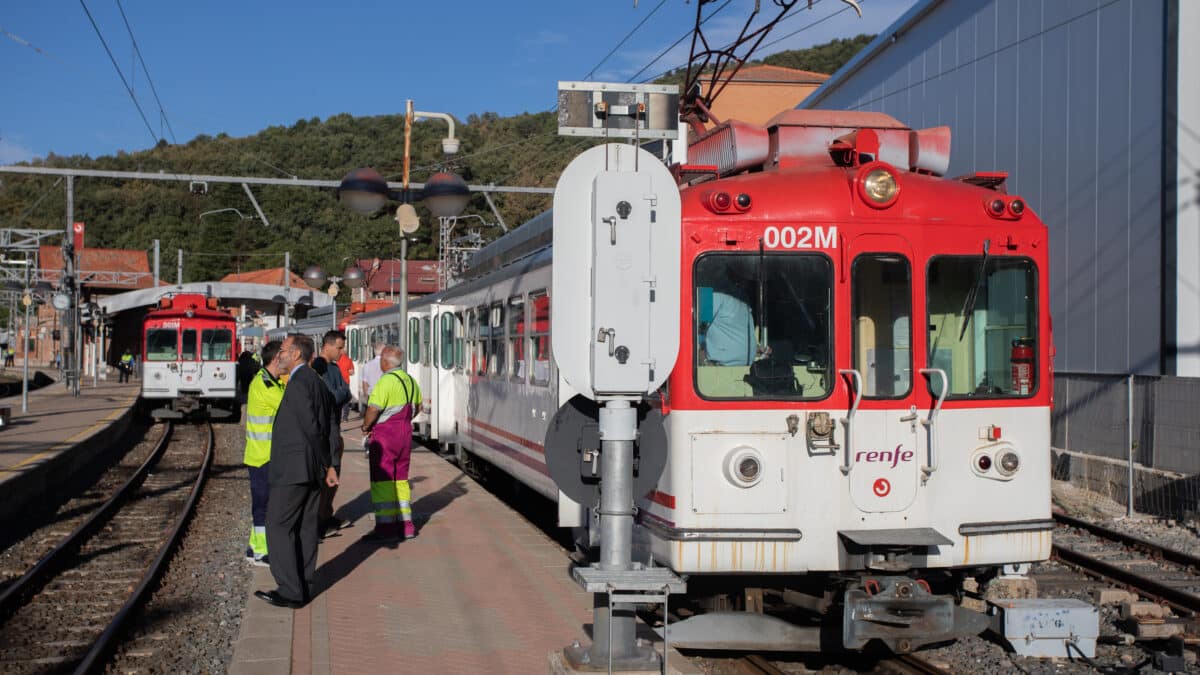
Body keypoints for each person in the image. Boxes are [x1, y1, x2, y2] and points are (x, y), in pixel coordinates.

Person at [256, 335, 338, 609]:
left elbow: (312, 427)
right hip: (310, 469)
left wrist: (326, 464)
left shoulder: (300, 383)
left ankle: (290, 589)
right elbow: (329, 425)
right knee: (304, 528)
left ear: (295, 354)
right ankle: (303, 584)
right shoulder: (317, 381)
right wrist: (327, 464)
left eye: (282, 350)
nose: (279, 355)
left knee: (277, 525)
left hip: (294, 469)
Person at [360, 346, 421, 542]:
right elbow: (418, 407)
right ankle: (407, 526)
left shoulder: (385, 382)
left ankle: (386, 528)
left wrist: (366, 426)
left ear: (385, 362)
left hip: (386, 435)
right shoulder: (411, 381)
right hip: (405, 434)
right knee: (401, 479)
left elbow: (373, 408)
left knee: (383, 478)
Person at [243, 340, 285, 567]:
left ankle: (253, 547)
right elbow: (287, 405)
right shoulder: (265, 385)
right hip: (262, 455)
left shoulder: (273, 382)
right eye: (285, 355)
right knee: (263, 504)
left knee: (263, 503)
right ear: (276, 358)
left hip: (264, 454)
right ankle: (262, 552)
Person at [311, 330, 351, 537]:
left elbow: (346, 393)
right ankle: (319, 521)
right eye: (339, 347)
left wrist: (341, 393)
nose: (342, 352)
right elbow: (333, 397)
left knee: (335, 473)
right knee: (328, 474)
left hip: (335, 428)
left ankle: (326, 515)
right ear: (327, 346)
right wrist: (340, 393)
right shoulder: (318, 368)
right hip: (326, 429)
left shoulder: (334, 369)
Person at [703, 290, 755, 366]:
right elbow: (696, 325)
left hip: (728, 370)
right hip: (721, 369)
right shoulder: (715, 296)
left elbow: (697, 325)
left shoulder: (716, 297)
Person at [336, 351, 354, 421]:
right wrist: (347, 371)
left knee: (338, 399)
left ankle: (338, 416)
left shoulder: (336, 360)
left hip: (337, 382)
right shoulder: (349, 360)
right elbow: (352, 372)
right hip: (346, 382)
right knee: (346, 400)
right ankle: (345, 417)